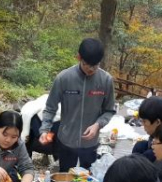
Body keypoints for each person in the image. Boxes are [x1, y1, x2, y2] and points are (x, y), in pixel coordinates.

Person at [39, 38, 116, 172]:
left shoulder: (106, 80)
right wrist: (44, 130)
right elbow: (50, 108)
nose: (91, 69)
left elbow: (109, 110)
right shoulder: (64, 78)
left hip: (90, 143)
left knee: (88, 181)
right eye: (87, 64)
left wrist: (98, 125)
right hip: (66, 141)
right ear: (79, 57)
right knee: (66, 179)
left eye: (95, 65)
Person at [131, 96, 162, 162]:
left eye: (144, 121)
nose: (143, 125)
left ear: (158, 122)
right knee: (140, 145)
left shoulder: (156, 154)